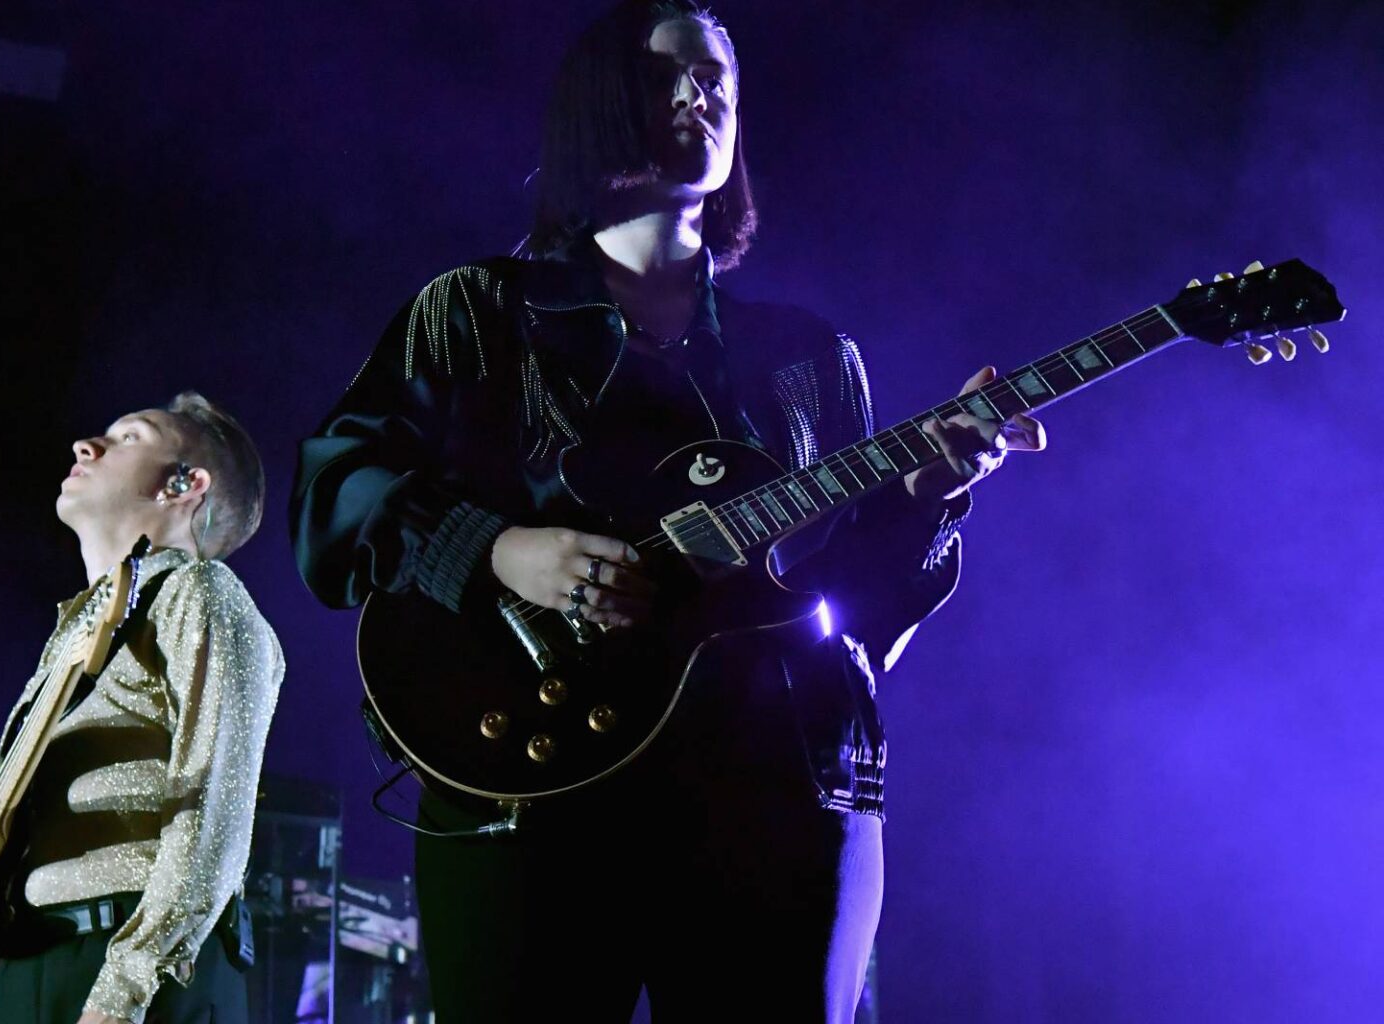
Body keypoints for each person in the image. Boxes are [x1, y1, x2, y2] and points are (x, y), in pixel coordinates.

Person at [289, 3, 1045, 1021]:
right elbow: (335, 494)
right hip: (531, 798)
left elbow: (854, 620)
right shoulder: (475, 312)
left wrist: (929, 497)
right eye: (667, 75)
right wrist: (499, 548)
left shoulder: (811, 358)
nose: (704, 95)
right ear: (599, 101)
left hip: (773, 797)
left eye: (721, 78)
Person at [0, 391, 282, 1024]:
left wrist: (124, 991)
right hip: (31, 963)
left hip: (125, 963)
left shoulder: (201, 591)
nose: (88, 446)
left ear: (184, 484)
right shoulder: (73, 634)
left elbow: (213, 812)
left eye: (130, 437)